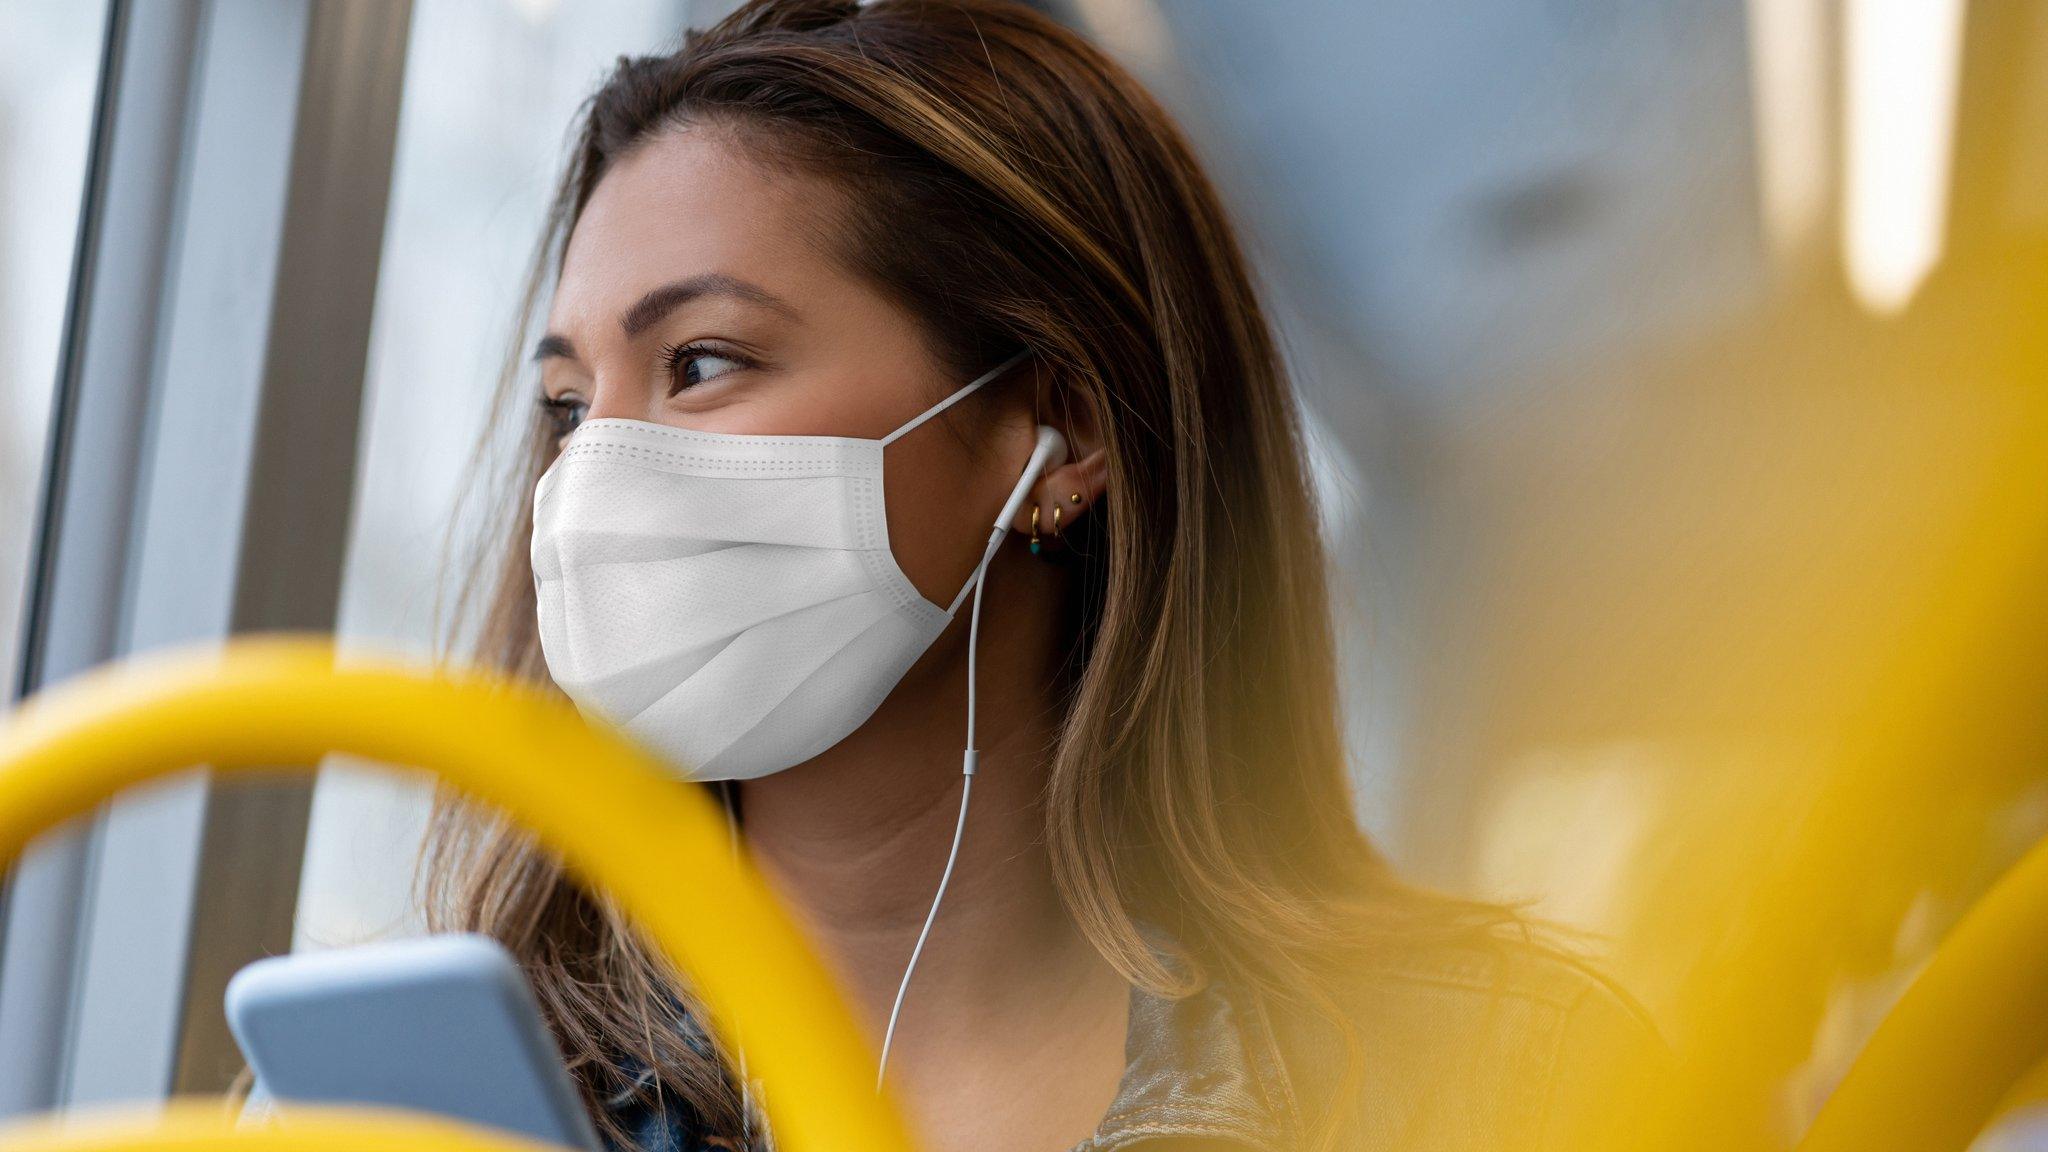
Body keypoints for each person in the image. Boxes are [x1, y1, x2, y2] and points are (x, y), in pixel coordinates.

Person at [421, 2, 1661, 1151]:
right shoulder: (432, 1098)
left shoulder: (1489, 1077)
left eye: (701, 362)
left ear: (1059, 432)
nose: (592, 477)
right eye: (569, 406)